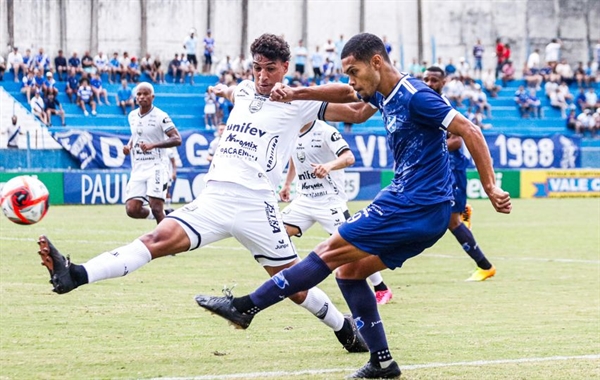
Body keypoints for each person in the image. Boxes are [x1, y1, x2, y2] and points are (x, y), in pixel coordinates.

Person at [195, 33, 511, 379]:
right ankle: (383, 362)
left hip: (412, 203)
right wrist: (299, 93)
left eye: (353, 71)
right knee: (350, 272)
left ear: (376, 62)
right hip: (424, 210)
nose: (350, 80)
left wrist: (491, 186)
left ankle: (246, 307)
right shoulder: (382, 93)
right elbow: (347, 98)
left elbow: (471, 130)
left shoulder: (416, 96)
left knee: (327, 252)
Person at [36, 34, 368, 358]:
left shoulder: (301, 101)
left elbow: (349, 96)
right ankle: (76, 274)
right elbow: (235, 92)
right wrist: (222, 89)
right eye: (257, 68)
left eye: (270, 69)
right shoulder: (245, 89)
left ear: (285, 67)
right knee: (155, 238)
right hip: (214, 197)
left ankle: (345, 330)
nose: (263, 76)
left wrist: (295, 92)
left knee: (293, 284)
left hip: (257, 203)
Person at [279, 119, 393, 304]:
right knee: (278, 235)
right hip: (304, 200)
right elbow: (294, 157)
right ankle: (297, 279)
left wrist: (329, 166)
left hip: (330, 201)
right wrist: (287, 183)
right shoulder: (292, 130)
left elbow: (349, 158)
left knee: (353, 246)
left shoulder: (326, 131)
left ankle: (381, 287)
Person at [423, 66, 496, 281]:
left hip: (453, 170)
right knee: (442, 218)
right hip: (440, 171)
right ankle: (463, 209)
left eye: (434, 80)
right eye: (425, 79)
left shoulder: (443, 107)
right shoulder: (425, 105)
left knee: (451, 223)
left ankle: (485, 266)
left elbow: (455, 140)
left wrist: (432, 149)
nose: (429, 84)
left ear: (443, 83)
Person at [121, 82, 182, 224]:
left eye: (145, 94)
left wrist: (153, 145)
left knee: (156, 207)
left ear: (152, 96)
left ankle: (167, 242)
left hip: (156, 166)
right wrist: (129, 146)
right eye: (139, 94)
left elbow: (177, 139)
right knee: (132, 209)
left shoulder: (161, 116)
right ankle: (166, 216)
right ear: (135, 97)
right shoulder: (132, 116)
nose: (142, 97)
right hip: (138, 168)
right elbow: (136, 135)